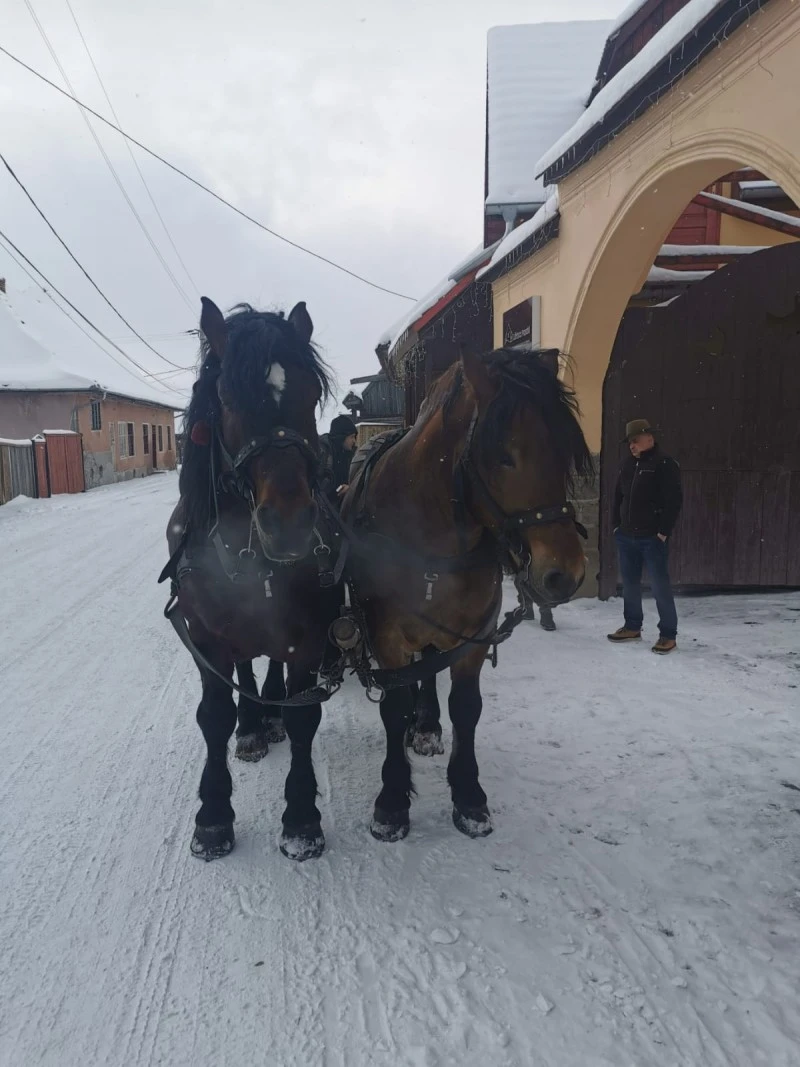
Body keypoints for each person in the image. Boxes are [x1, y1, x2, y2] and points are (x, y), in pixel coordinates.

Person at [608, 418, 682, 655]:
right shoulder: (628, 464)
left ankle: (668, 635)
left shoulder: (664, 464)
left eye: (635, 440)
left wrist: (663, 532)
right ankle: (632, 627)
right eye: (629, 441)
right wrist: (615, 526)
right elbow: (617, 496)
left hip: (652, 538)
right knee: (629, 585)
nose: (632, 445)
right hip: (626, 536)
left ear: (649, 438)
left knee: (660, 587)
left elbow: (674, 500)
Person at [318, 414, 358, 508]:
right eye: (351, 437)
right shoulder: (323, 452)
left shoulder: (352, 455)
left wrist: (350, 488)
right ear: (341, 437)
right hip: (322, 508)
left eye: (355, 437)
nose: (354, 441)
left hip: (342, 506)